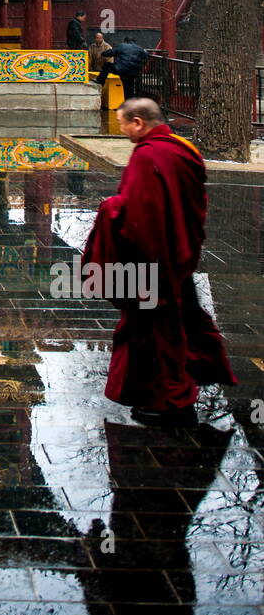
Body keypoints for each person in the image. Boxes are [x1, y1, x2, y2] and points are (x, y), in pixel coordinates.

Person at [81, 97, 236, 424]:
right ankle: (174, 393)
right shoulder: (183, 150)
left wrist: (110, 208)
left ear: (138, 122)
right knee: (177, 322)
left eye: (123, 123)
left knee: (156, 333)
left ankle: (169, 400)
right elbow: (188, 204)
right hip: (179, 252)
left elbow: (139, 215)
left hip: (152, 260)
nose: (121, 129)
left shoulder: (149, 155)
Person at [96, 35, 148, 100]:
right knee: (129, 88)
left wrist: (103, 53)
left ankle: (100, 81)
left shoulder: (122, 46)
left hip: (120, 69)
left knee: (107, 65)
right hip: (132, 72)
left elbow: (109, 53)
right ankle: (129, 103)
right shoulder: (139, 49)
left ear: (125, 41)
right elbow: (145, 55)